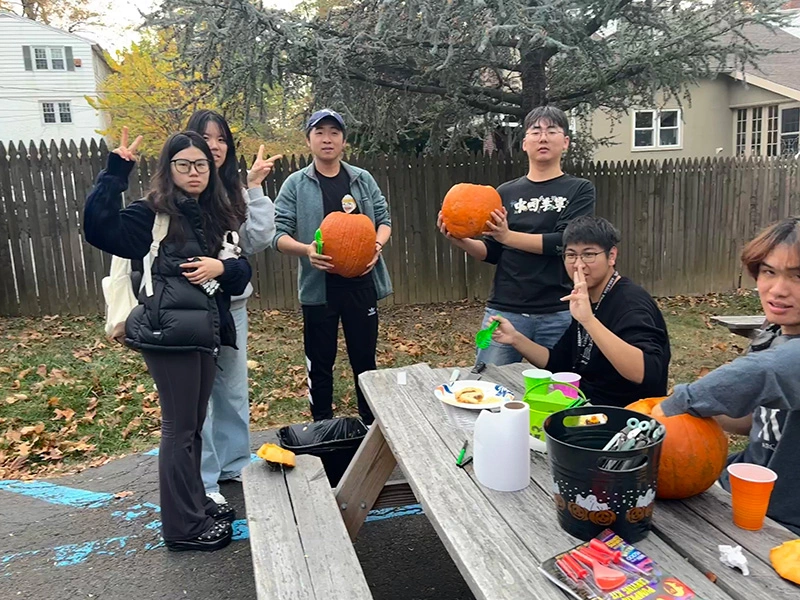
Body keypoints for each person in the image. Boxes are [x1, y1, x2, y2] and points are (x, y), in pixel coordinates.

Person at [84, 128, 252, 552]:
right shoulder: (152, 213)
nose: (193, 172)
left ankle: (194, 503)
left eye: (201, 164)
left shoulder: (217, 212)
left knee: (193, 426)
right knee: (179, 429)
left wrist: (221, 269)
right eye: (183, 164)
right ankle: (181, 527)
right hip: (167, 333)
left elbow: (242, 270)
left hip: (205, 331)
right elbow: (98, 228)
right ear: (169, 168)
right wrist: (114, 173)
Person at [652, 218, 800, 535]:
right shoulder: (774, 333)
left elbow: (765, 371)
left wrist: (679, 403)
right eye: (769, 272)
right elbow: (753, 421)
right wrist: (691, 421)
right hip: (745, 488)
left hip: (784, 524)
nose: (778, 289)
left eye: (797, 276)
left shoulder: (786, 356)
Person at [437, 105, 596, 366]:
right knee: (486, 381)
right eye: (535, 131)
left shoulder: (580, 189)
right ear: (524, 143)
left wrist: (507, 236)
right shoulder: (504, 192)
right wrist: (460, 240)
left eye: (551, 131)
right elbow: (493, 251)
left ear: (565, 142)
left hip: (557, 310)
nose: (543, 138)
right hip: (503, 308)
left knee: (558, 389)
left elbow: (565, 242)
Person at [273, 109, 392, 425]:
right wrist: (306, 250)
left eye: (334, 132)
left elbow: (384, 220)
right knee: (320, 360)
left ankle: (370, 422)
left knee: (365, 359)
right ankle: (322, 424)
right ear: (309, 139)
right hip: (319, 287)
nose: (327, 139)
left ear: (343, 140)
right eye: (320, 132)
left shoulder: (361, 179)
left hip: (361, 284)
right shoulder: (296, 184)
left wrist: (376, 246)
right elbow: (278, 234)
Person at [186, 109, 281, 506]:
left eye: (221, 138)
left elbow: (258, 239)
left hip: (233, 307)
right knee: (200, 394)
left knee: (232, 390)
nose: (214, 145)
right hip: (191, 309)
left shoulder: (233, 193)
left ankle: (234, 464)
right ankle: (205, 477)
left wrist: (255, 187)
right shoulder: (182, 191)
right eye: (206, 138)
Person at [491, 216, 670, 407]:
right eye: (571, 255)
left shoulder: (630, 302)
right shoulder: (587, 297)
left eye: (589, 255)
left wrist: (589, 320)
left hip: (628, 417)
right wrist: (515, 338)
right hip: (582, 405)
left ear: (611, 256)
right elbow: (558, 363)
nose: (578, 264)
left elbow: (645, 373)